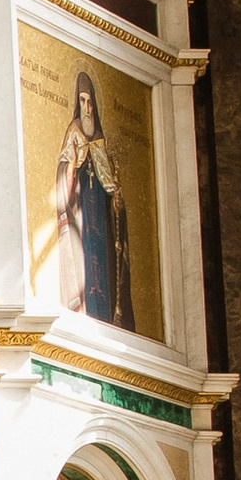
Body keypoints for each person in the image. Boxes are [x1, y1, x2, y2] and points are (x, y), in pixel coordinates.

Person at [52, 69, 136, 329]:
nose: (87, 108)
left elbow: (110, 185)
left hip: (99, 221)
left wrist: (115, 200)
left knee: (103, 269)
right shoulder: (73, 136)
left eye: (90, 103)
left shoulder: (100, 144)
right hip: (82, 219)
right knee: (85, 268)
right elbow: (62, 181)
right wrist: (72, 167)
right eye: (82, 102)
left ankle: (108, 312)